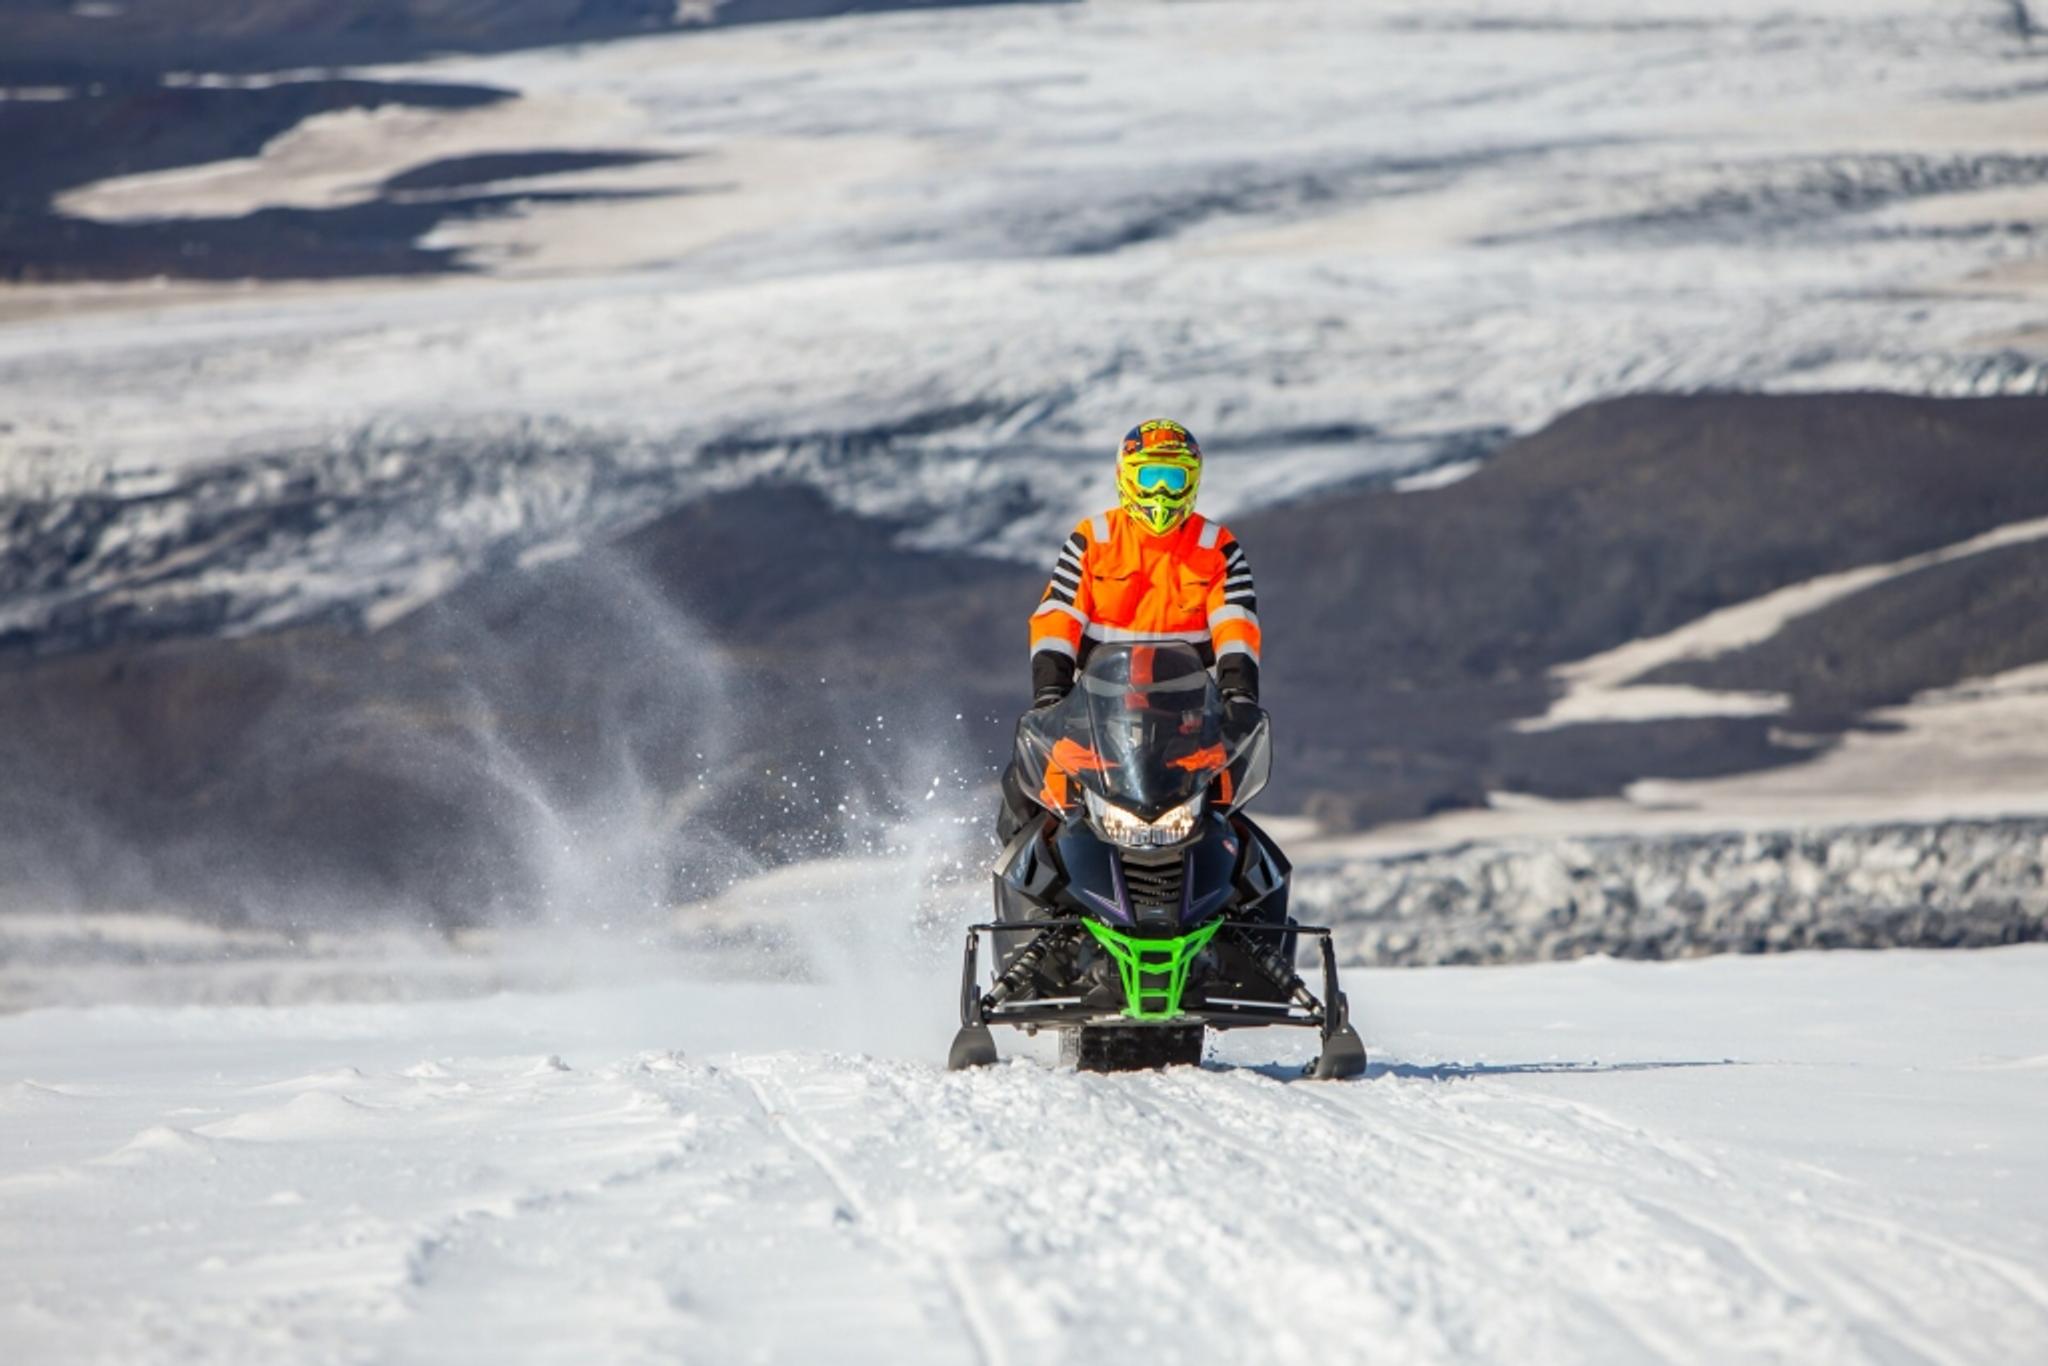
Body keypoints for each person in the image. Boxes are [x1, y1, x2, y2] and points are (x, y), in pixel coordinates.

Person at [997, 418, 1262, 841]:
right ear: (1127, 477)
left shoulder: (1217, 548)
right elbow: (1056, 618)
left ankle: (1239, 898)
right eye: (1150, 476)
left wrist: (1240, 697)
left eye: (1173, 478)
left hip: (1187, 719)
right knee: (1027, 789)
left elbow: (1237, 624)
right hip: (1095, 712)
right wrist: (1050, 695)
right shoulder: (1093, 539)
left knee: (1225, 805)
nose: (1161, 492)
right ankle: (1024, 890)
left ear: (1192, 482)